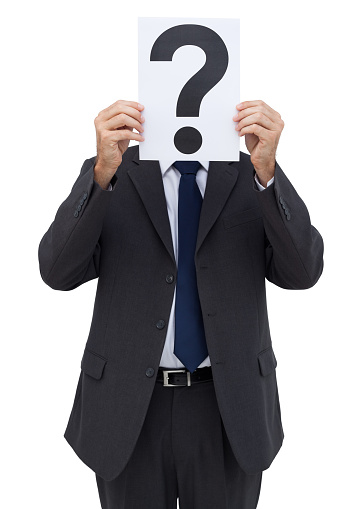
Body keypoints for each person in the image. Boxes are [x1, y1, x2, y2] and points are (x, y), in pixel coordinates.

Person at [38, 99, 324, 509]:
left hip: (228, 410)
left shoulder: (252, 175)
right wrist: (101, 175)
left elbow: (302, 272)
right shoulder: (113, 172)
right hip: (129, 409)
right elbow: (57, 271)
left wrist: (268, 173)